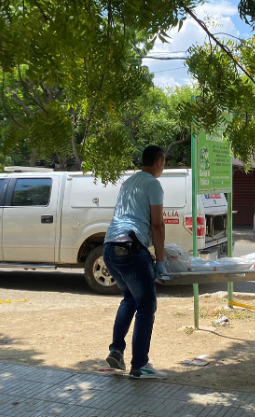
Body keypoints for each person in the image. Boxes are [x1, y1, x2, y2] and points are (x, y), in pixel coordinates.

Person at [103, 145, 168, 379]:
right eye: (164, 162)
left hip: (110, 247)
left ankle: (116, 352)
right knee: (147, 304)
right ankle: (140, 365)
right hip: (131, 249)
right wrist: (160, 260)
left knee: (129, 299)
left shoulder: (128, 182)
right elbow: (158, 224)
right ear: (159, 161)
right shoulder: (153, 183)